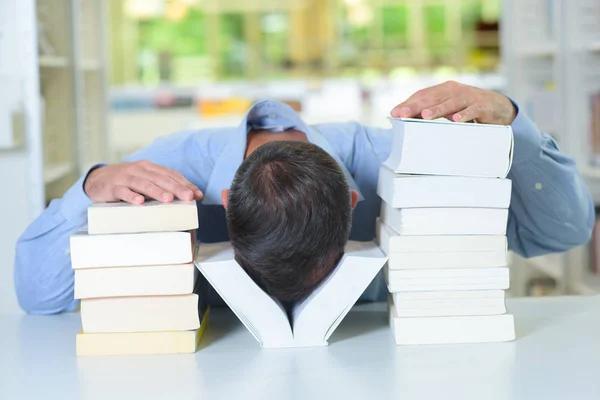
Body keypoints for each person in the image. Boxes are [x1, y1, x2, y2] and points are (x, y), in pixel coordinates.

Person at [14, 81, 594, 314]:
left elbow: (560, 234)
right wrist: (87, 189)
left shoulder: (387, 158)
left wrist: (514, 124)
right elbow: (40, 300)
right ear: (221, 202)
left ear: (351, 200)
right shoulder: (168, 171)